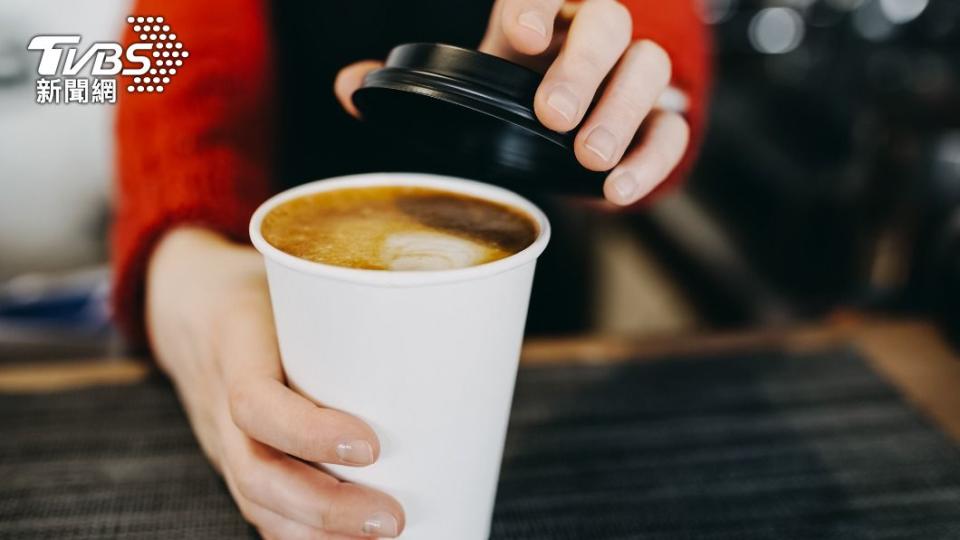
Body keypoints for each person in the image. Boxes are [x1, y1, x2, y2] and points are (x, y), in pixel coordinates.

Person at [113, 1, 710, 537]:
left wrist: (622, 72)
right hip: (278, 268)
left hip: (533, 309)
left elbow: (651, 18)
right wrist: (185, 247)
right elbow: (181, 28)